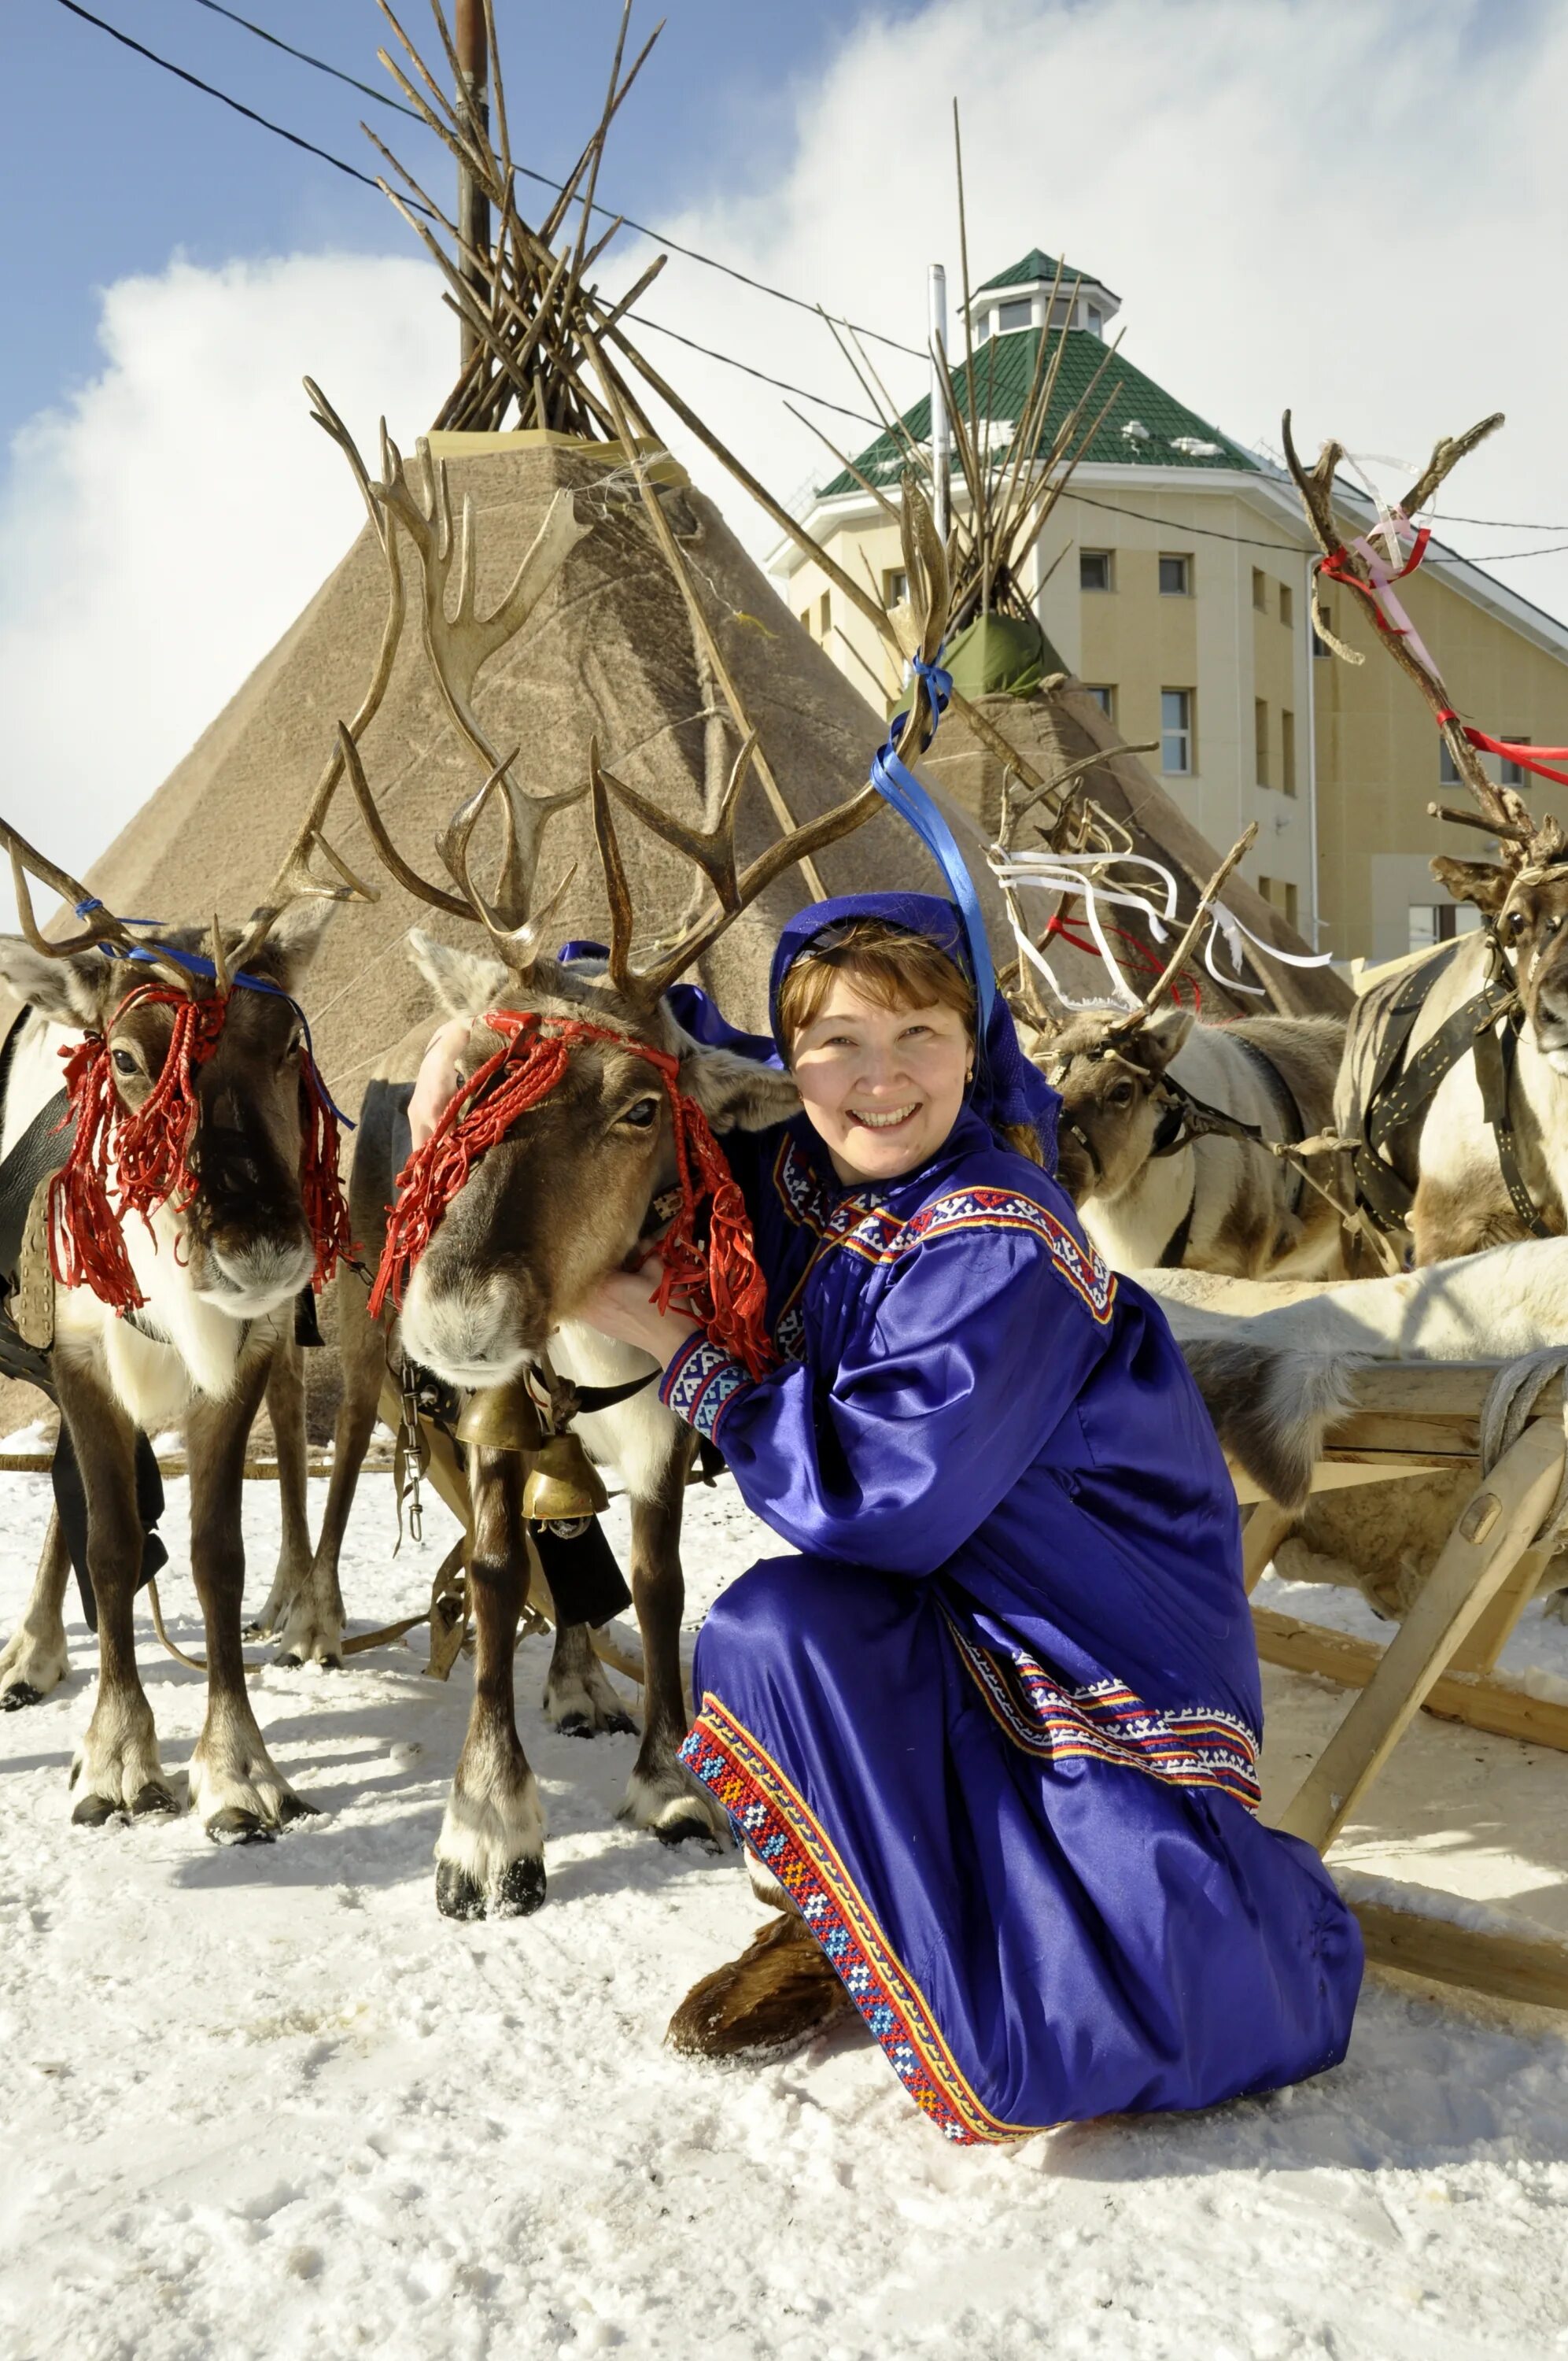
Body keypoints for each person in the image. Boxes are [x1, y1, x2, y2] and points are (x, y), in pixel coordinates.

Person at [577, 890, 1361, 2145]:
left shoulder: (996, 1233)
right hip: (952, 1616)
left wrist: (674, 1345)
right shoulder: (805, 1171)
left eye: (919, 1036)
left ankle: (1237, 1933)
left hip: (1094, 1657)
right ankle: (858, 1925)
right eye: (835, 1040)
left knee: (1044, 2056)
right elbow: (628, 1013)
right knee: (775, 1632)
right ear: (785, 1065)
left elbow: (874, 1504)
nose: (877, 1080)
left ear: (976, 1041)